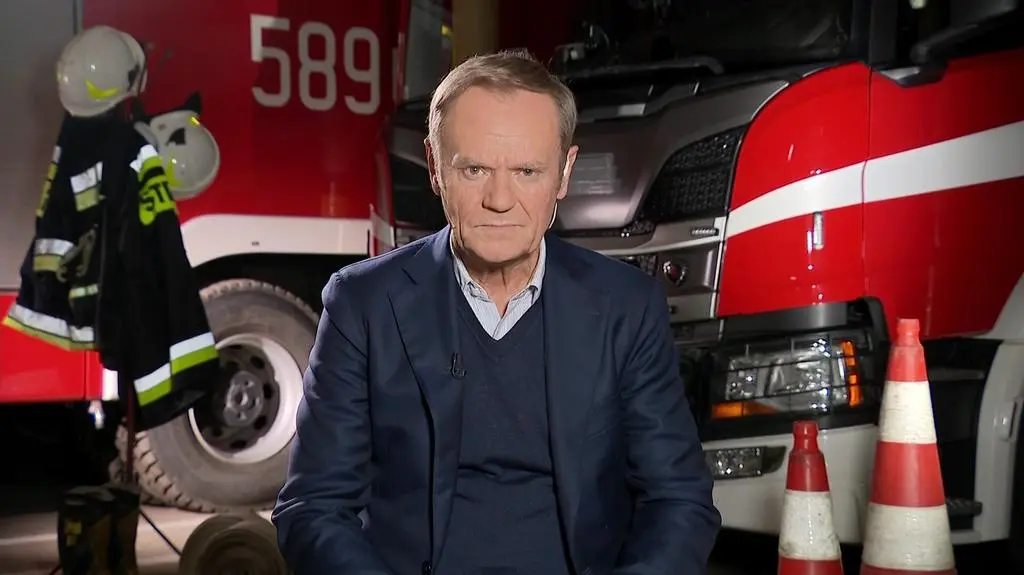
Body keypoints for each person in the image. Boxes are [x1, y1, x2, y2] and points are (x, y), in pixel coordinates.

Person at [272, 49, 721, 575]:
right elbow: (313, 507)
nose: (500, 199)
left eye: (527, 170)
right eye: (475, 169)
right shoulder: (363, 304)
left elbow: (679, 500)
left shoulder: (626, 307)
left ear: (564, 173)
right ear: (435, 168)